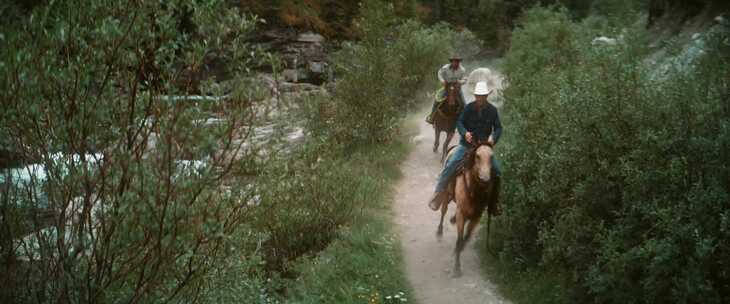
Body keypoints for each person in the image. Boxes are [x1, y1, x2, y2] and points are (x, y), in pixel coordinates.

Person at [428, 81, 503, 214]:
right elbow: (459, 122)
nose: (481, 98)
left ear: (486, 96)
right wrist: (465, 133)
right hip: (467, 145)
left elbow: (498, 128)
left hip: (484, 147)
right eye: (479, 96)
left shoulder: (492, 110)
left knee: (496, 171)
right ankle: (438, 194)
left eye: (483, 96)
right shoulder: (468, 108)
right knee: (450, 164)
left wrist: (493, 138)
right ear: (475, 96)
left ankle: (494, 203)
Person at [426, 53, 467, 124]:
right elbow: (439, 73)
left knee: (463, 103)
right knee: (437, 100)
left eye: (457, 61)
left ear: (459, 62)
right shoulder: (445, 68)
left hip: (457, 89)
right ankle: (432, 117)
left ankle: (464, 121)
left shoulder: (462, 70)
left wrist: (460, 82)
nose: (455, 63)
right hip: (447, 87)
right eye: (454, 61)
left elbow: (465, 79)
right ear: (451, 61)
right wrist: (442, 81)